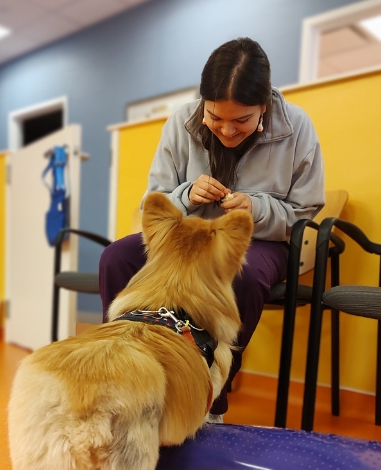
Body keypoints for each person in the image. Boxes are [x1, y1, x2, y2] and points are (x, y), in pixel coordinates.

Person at [99, 37, 325, 423]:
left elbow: (304, 212)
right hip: (186, 239)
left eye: (242, 121)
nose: (227, 130)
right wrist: (187, 195)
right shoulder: (180, 121)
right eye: (215, 117)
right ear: (203, 102)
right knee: (116, 257)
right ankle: (123, 374)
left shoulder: (297, 126)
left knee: (245, 275)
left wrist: (255, 207)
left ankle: (209, 401)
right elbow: (155, 201)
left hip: (261, 243)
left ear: (264, 108)